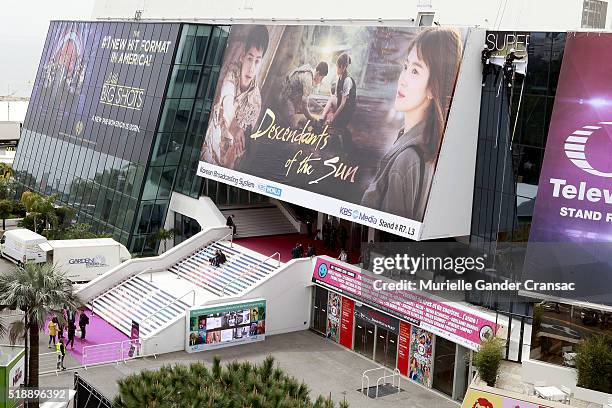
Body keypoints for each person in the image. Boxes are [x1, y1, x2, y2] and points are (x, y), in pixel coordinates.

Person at [361, 27, 463, 221]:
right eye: (405, 67)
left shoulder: (406, 160)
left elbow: (390, 237)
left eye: (415, 71)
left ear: (433, 87)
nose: (403, 80)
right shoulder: (429, 145)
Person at [201, 25, 270, 169]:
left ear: (261, 63)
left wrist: (231, 159)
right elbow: (227, 100)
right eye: (250, 58)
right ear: (243, 56)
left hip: (223, 165)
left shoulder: (256, 102)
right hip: (205, 148)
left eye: (257, 61)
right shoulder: (232, 71)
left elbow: (239, 149)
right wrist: (235, 128)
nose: (252, 67)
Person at [278, 61, 329, 127]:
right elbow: (304, 107)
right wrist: (312, 119)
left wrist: (319, 107)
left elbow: (306, 98)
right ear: (318, 73)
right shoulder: (308, 79)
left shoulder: (308, 70)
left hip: (289, 98)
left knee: (303, 119)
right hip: (286, 99)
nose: (321, 81)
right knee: (295, 124)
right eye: (322, 78)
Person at [326, 53, 357, 150]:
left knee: (336, 125)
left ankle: (345, 148)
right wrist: (330, 110)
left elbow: (343, 103)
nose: (336, 69)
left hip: (347, 109)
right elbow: (335, 96)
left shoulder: (347, 80)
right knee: (332, 124)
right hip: (340, 107)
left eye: (338, 67)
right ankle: (336, 146)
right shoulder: (339, 78)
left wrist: (334, 116)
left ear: (343, 67)